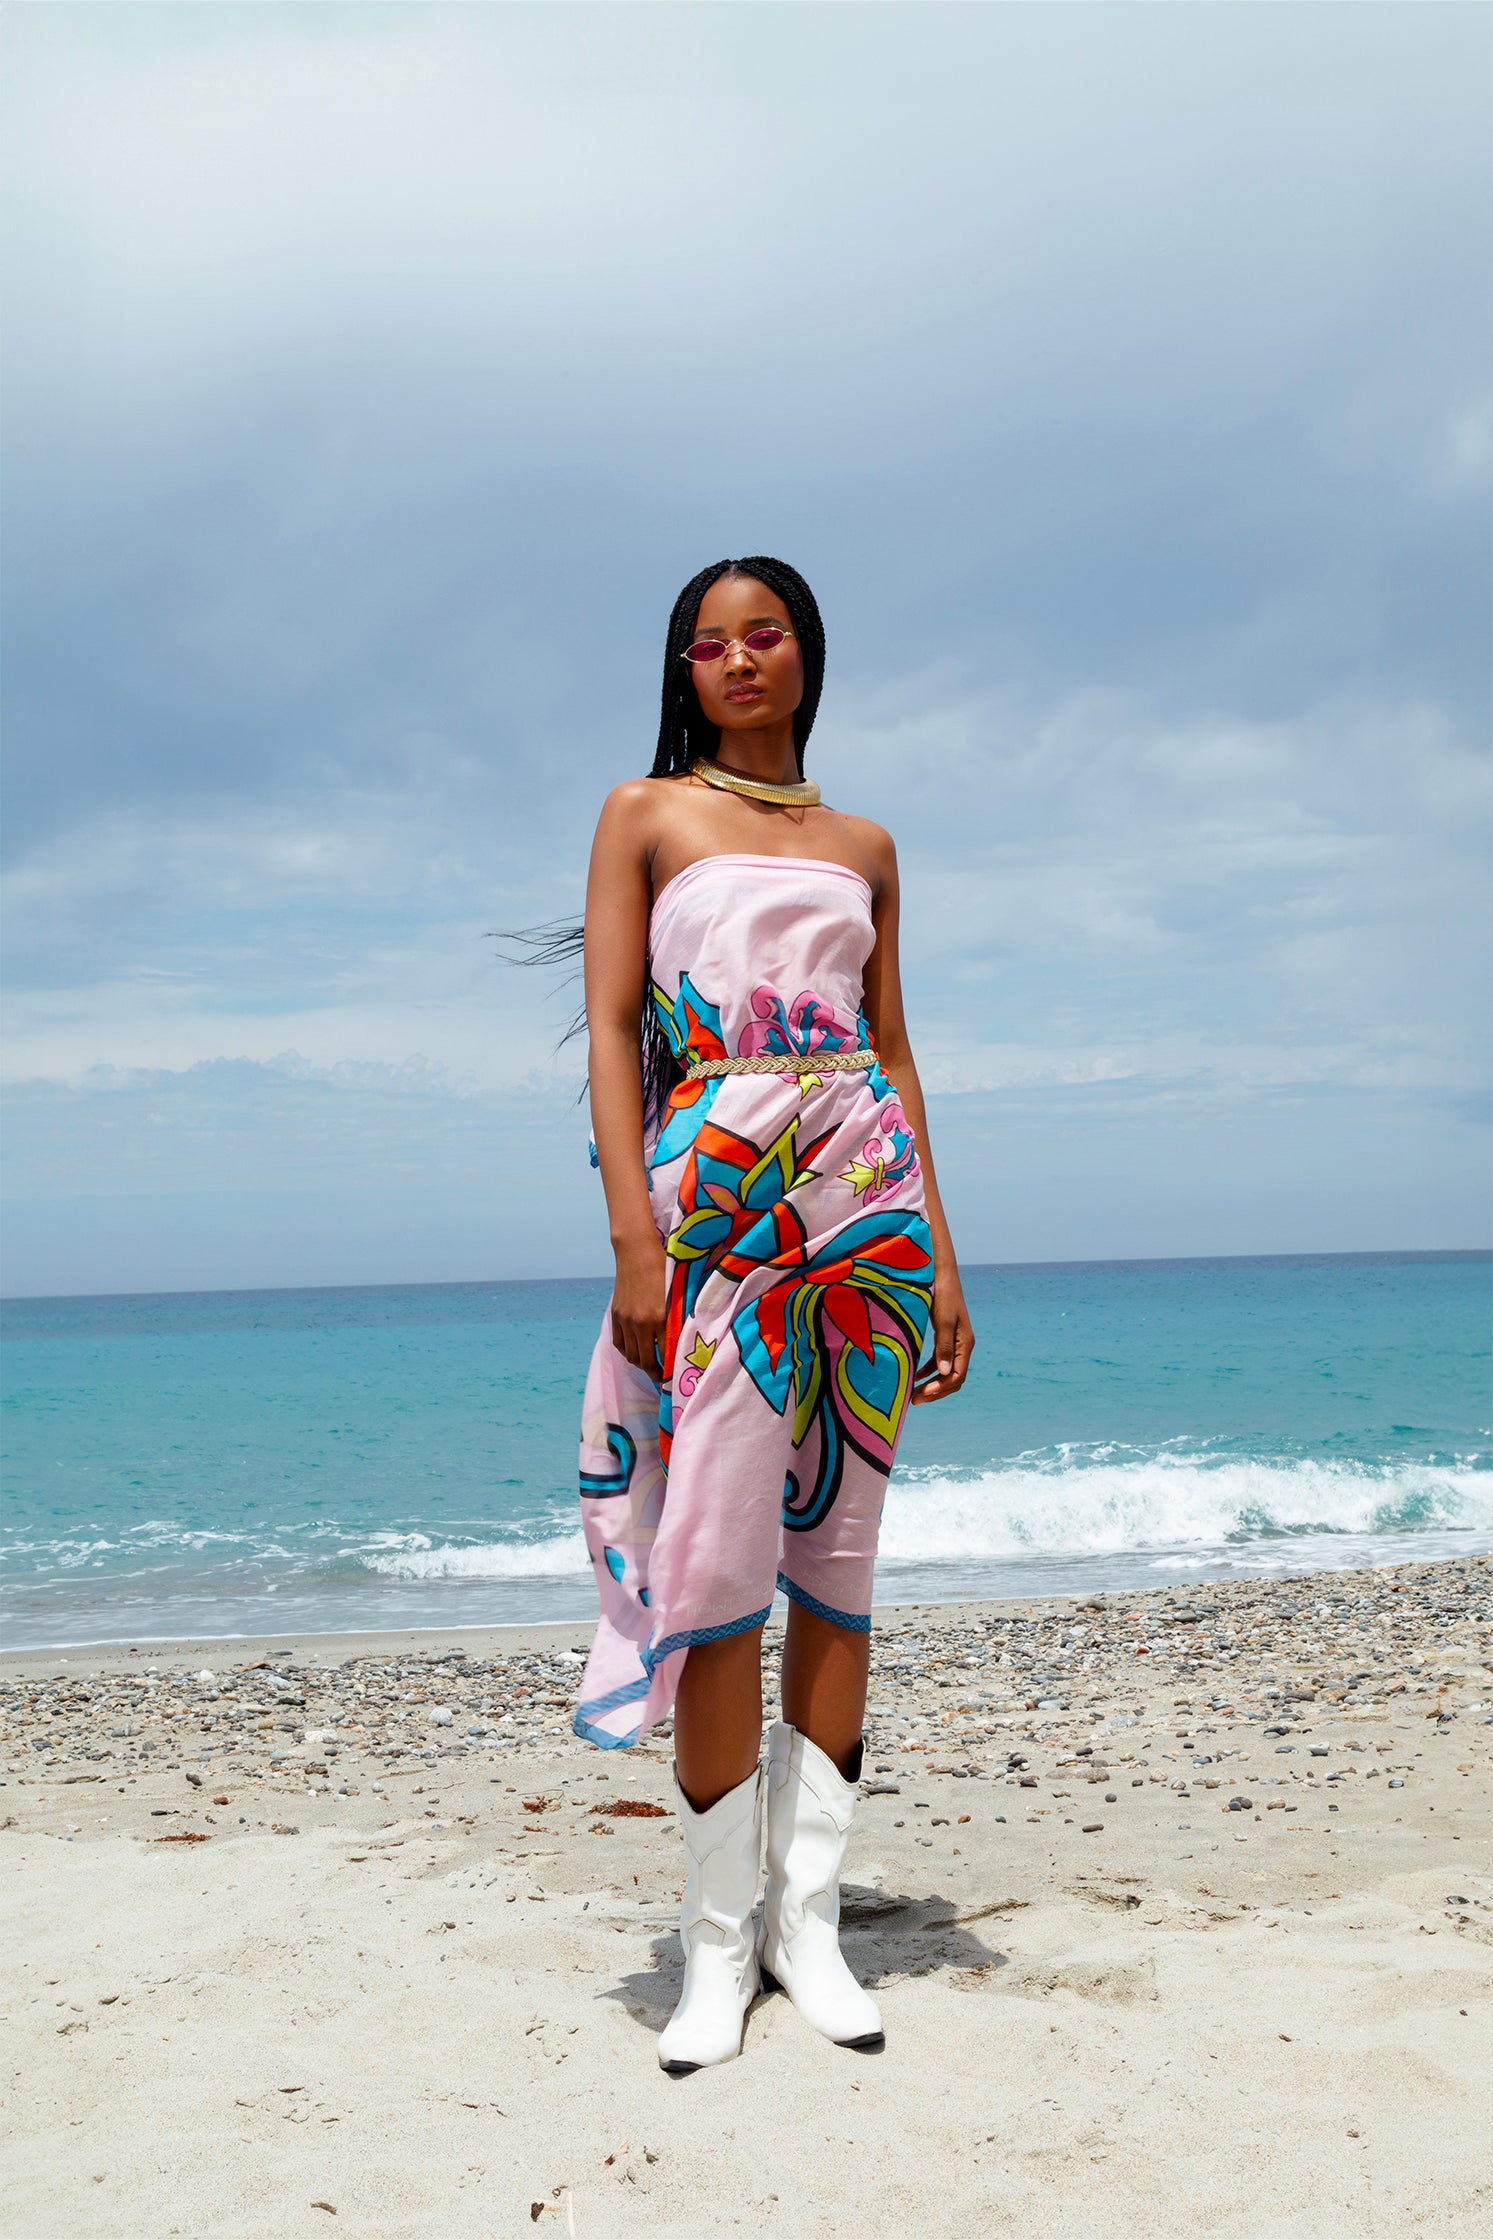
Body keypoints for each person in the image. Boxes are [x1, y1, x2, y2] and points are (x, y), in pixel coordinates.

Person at [566, 555, 972, 2072]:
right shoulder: (642, 815)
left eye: (766, 636)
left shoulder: (864, 842)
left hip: (857, 1207)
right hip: (713, 1209)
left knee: (843, 1564)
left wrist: (933, 1249)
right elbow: (613, 1028)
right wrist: (631, 1232)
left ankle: (807, 1927)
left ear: (805, 657)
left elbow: (893, 1052)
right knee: (721, 1561)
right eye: (709, 644)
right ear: (684, 670)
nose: (738, 660)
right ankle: (714, 1946)